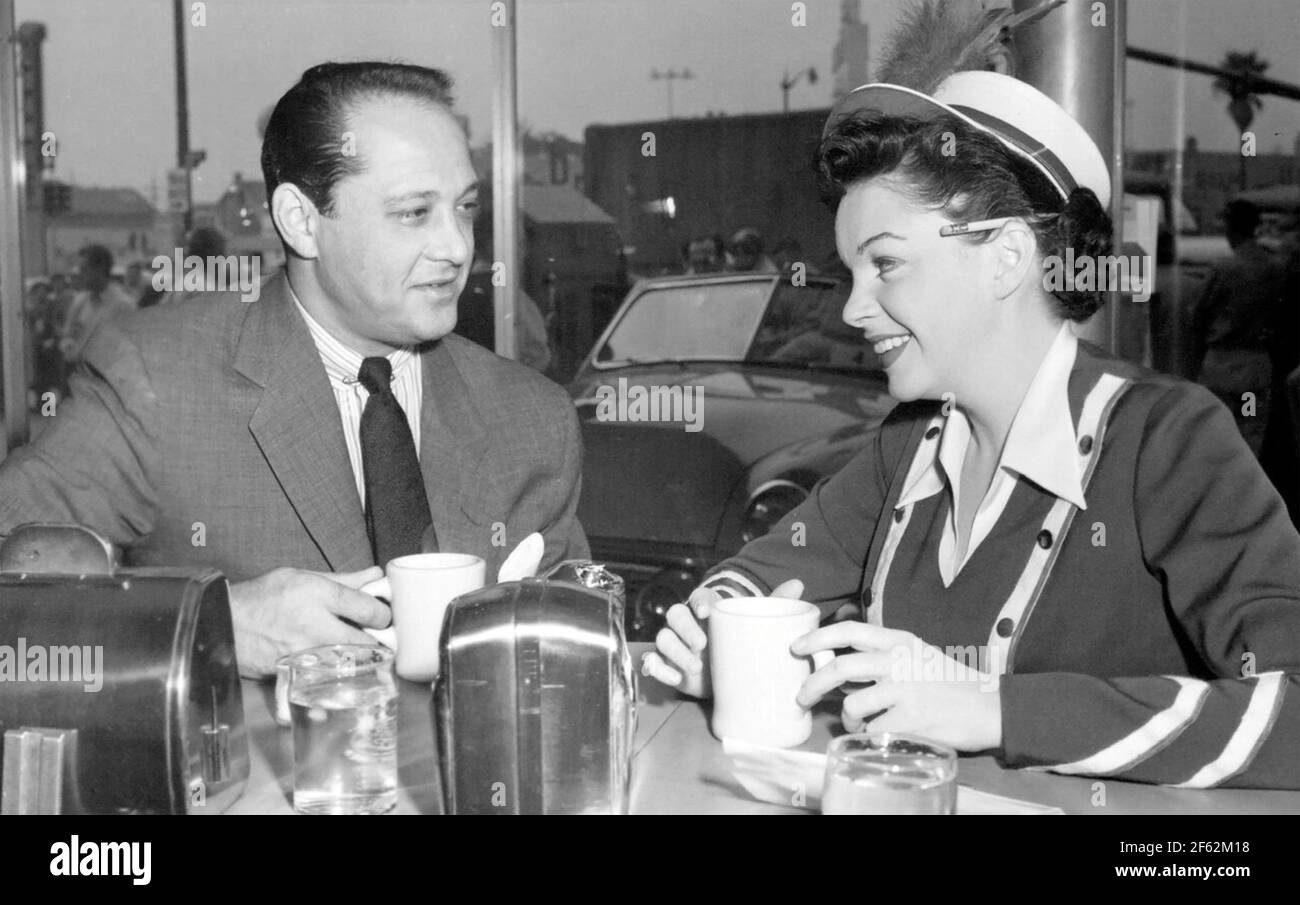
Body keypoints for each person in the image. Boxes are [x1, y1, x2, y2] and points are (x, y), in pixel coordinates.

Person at [644, 71, 1300, 789]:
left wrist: (995, 708)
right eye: (854, 272)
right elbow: (762, 576)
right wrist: (716, 633)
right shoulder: (911, 441)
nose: (854, 310)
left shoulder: (1169, 440)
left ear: (1007, 257)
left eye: (886, 264)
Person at [0, 61, 588, 677]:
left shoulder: (535, 421)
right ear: (302, 220)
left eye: (465, 208)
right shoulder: (155, 381)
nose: (458, 247)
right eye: (415, 213)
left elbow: (575, 655)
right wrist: (210, 624)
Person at [1190, 200, 1289, 456]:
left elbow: (1197, 314)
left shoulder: (1224, 268)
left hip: (1221, 366)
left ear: (1231, 229)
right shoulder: (1276, 267)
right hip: (1256, 366)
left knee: (1216, 433)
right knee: (1250, 432)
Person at [58, 244, 137, 368]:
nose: (80, 274)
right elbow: (67, 335)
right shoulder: (80, 301)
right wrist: (69, 345)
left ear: (100, 269)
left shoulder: (123, 305)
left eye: (84, 269)